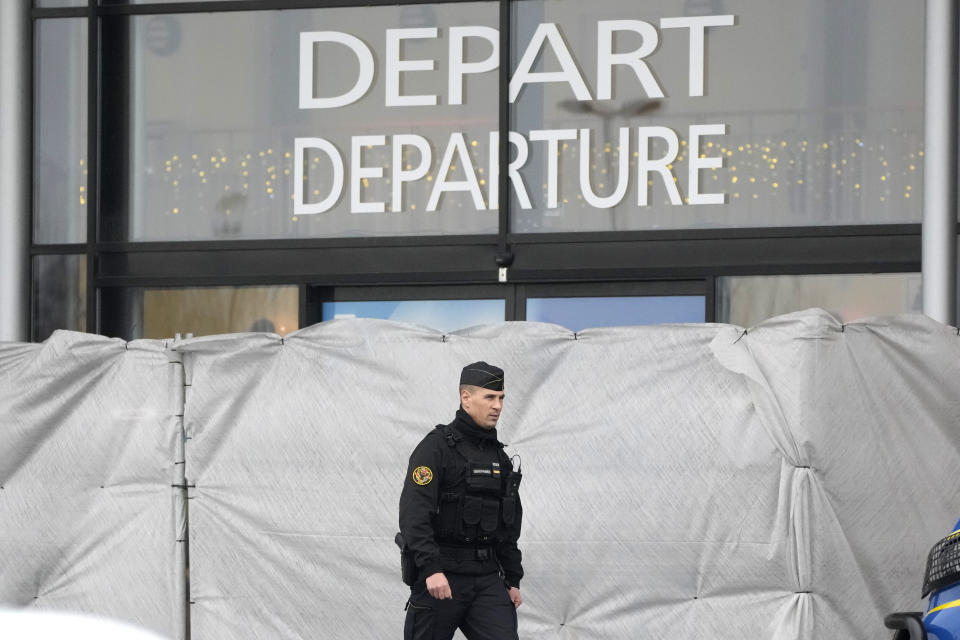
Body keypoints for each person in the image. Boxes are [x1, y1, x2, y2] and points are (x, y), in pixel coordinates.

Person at [399, 361, 523, 640]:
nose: (498, 406)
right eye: (489, 397)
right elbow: (414, 516)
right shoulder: (435, 448)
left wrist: (513, 578)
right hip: (442, 576)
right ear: (466, 398)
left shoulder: (499, 458)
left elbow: (508, 523)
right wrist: (431, 569)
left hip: (487, 578)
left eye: (501, 398)